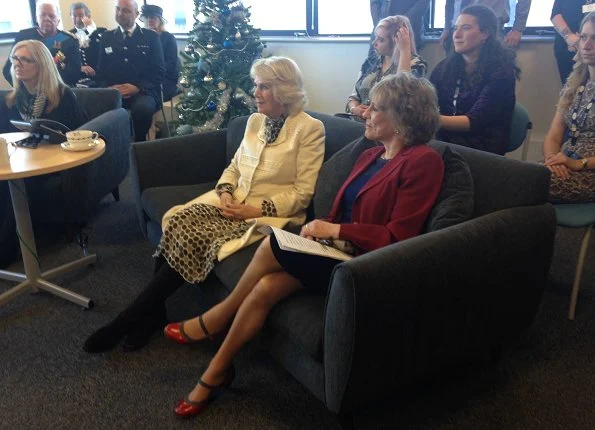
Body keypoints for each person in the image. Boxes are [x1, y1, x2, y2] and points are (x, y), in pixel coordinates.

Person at [163, 72, 445, 418]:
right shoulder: (370, 156)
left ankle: (215, 319)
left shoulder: (423, 161)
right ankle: (216, 371)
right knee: (266, 286)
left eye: (376, 108)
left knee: (271, 246)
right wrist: (325, 232)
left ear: (403, 116)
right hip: (336, 250)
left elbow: (400, 236)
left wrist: (336, 229)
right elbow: (343, 211)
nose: (365, 113)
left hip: (367, 265)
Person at [83, 56, 326, 353]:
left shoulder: (309, 129)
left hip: (265, 216)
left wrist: (257, 209)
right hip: (231, 202)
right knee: (178, 221)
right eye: (255, 85)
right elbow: (235, 166)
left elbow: (302, 192)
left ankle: (127, 320)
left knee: (195, 236)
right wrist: (224, 190)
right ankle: (151, 314)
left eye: (264, 87)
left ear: (285, 91)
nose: (255, 93)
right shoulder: (255, 122)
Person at [0, 40, 88, 270]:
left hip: (53, 162)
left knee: (11, 186)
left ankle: (7, 248)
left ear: (41, 65)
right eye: (14, 59)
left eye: (25, 59)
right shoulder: (10, 99)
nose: (17, 64)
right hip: (19, 157)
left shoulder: (63, 96)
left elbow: (81, 134)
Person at [430, 5, 520, 155]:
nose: (456, 35)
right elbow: (426, 98)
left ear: (485, 34)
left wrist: (427, 119)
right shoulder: (445, 66)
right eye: (455, 28)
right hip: (446, 140)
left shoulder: (501, 73)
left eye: (465, 28)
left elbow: (474, 122)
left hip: (481, 149)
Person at [95, 0, 165, 141]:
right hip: (114, 91)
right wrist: (109, 88)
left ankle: (139, 145)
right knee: (97, 107)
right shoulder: (107, 37)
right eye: (118, 9)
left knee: (142, 109)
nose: (120, 14)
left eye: (126, 10)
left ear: (136, 14)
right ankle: (111, 145)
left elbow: (159, 71)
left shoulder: (151, 37)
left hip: (144, 91)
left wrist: (137, 87)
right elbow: (101, 71)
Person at [544, 12, 595, 203]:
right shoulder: (574, 83)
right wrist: (552, 158)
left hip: (588, 170)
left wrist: (577, 163)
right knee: (513, 178)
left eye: (594, 38)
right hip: (563, 164)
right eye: (583, 37)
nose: (586, 45)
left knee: (521, 186)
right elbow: (554, 135)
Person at [346, 15, 427, 120]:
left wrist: (404, 50)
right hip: (359, 121)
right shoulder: (370, 62)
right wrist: (354, 108)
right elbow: (353, 97)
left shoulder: (417, 64)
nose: (374, 43)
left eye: (381, 40)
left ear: (396, 42)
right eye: (375, 37)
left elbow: (403, 94)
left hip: (386, 127)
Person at [2, 1, 81, 87]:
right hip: (29, 93)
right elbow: (8, 70)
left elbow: (74, 74)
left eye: (51, 16)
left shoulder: (69, 41)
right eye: (43, 15)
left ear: (58, 20)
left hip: (58, 91)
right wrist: (24, 90)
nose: (47, 18)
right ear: (36, 18)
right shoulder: (23, 37)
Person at [440, 0, 532, 49]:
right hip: (455, 28)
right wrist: (447, 27)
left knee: (490, 74)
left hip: (488, 29)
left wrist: (517, 28)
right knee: (454, 76)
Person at [139, 4, 180, 102]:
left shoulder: (168, 38)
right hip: (144, 80)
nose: (149, 20)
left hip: (164, 81)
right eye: (147, 17)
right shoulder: (141, 38)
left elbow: (171, 64)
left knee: (147, 98)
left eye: (153, 17)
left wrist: (152, 77)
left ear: (160, 20)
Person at [69, 2, 107, 83]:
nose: (78, 19)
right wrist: (80, 67)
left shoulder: (101, 32)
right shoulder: (67, 36)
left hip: (100, 79)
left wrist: (92, 28)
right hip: (78, 80)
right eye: (75, 16)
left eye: (81, 15)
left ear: (88, 16)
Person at [551, 0, 588, 85]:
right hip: (569, 49)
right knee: (570, 92)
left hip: (591, 48)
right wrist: (569, 37)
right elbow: (555, 14)